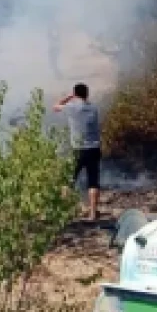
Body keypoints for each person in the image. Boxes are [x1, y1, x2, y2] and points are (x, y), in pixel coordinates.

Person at [53, 82, 102, 221]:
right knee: (93, 182)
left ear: (75, 94)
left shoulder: (71, 107)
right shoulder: (93, 108)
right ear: (87, 94)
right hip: (94, 148)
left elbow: (55, 107)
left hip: (78, 149)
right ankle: (92, 214)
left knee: (68, 180)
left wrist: (69, 97)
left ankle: (63, 213)